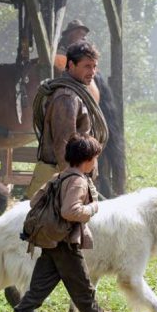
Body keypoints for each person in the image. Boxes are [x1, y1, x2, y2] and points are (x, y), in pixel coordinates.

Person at [0, 133, 132, 312]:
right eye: (95, 158)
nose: (96, 162)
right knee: (84, 293)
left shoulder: (58, 177)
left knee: (35, 293)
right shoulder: (79, 181)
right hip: (66, 246)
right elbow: (70, 211)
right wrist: (91, 209)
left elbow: (34, 201)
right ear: (88, 159)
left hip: (50, 244)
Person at [25, 40, 108, 199]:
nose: (92, 72)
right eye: (87, 66)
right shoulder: (66, 98)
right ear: (71, 65)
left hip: (67, 176)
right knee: (46, 222)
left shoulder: (76, 95)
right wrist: (74, 182)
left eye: (94, 66)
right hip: (57, 177)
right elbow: (63, 146)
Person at [54, 19, 100, 103]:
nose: (84, 37)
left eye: (85, 35)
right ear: (70, 35)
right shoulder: (58, 54)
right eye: (80, 34)